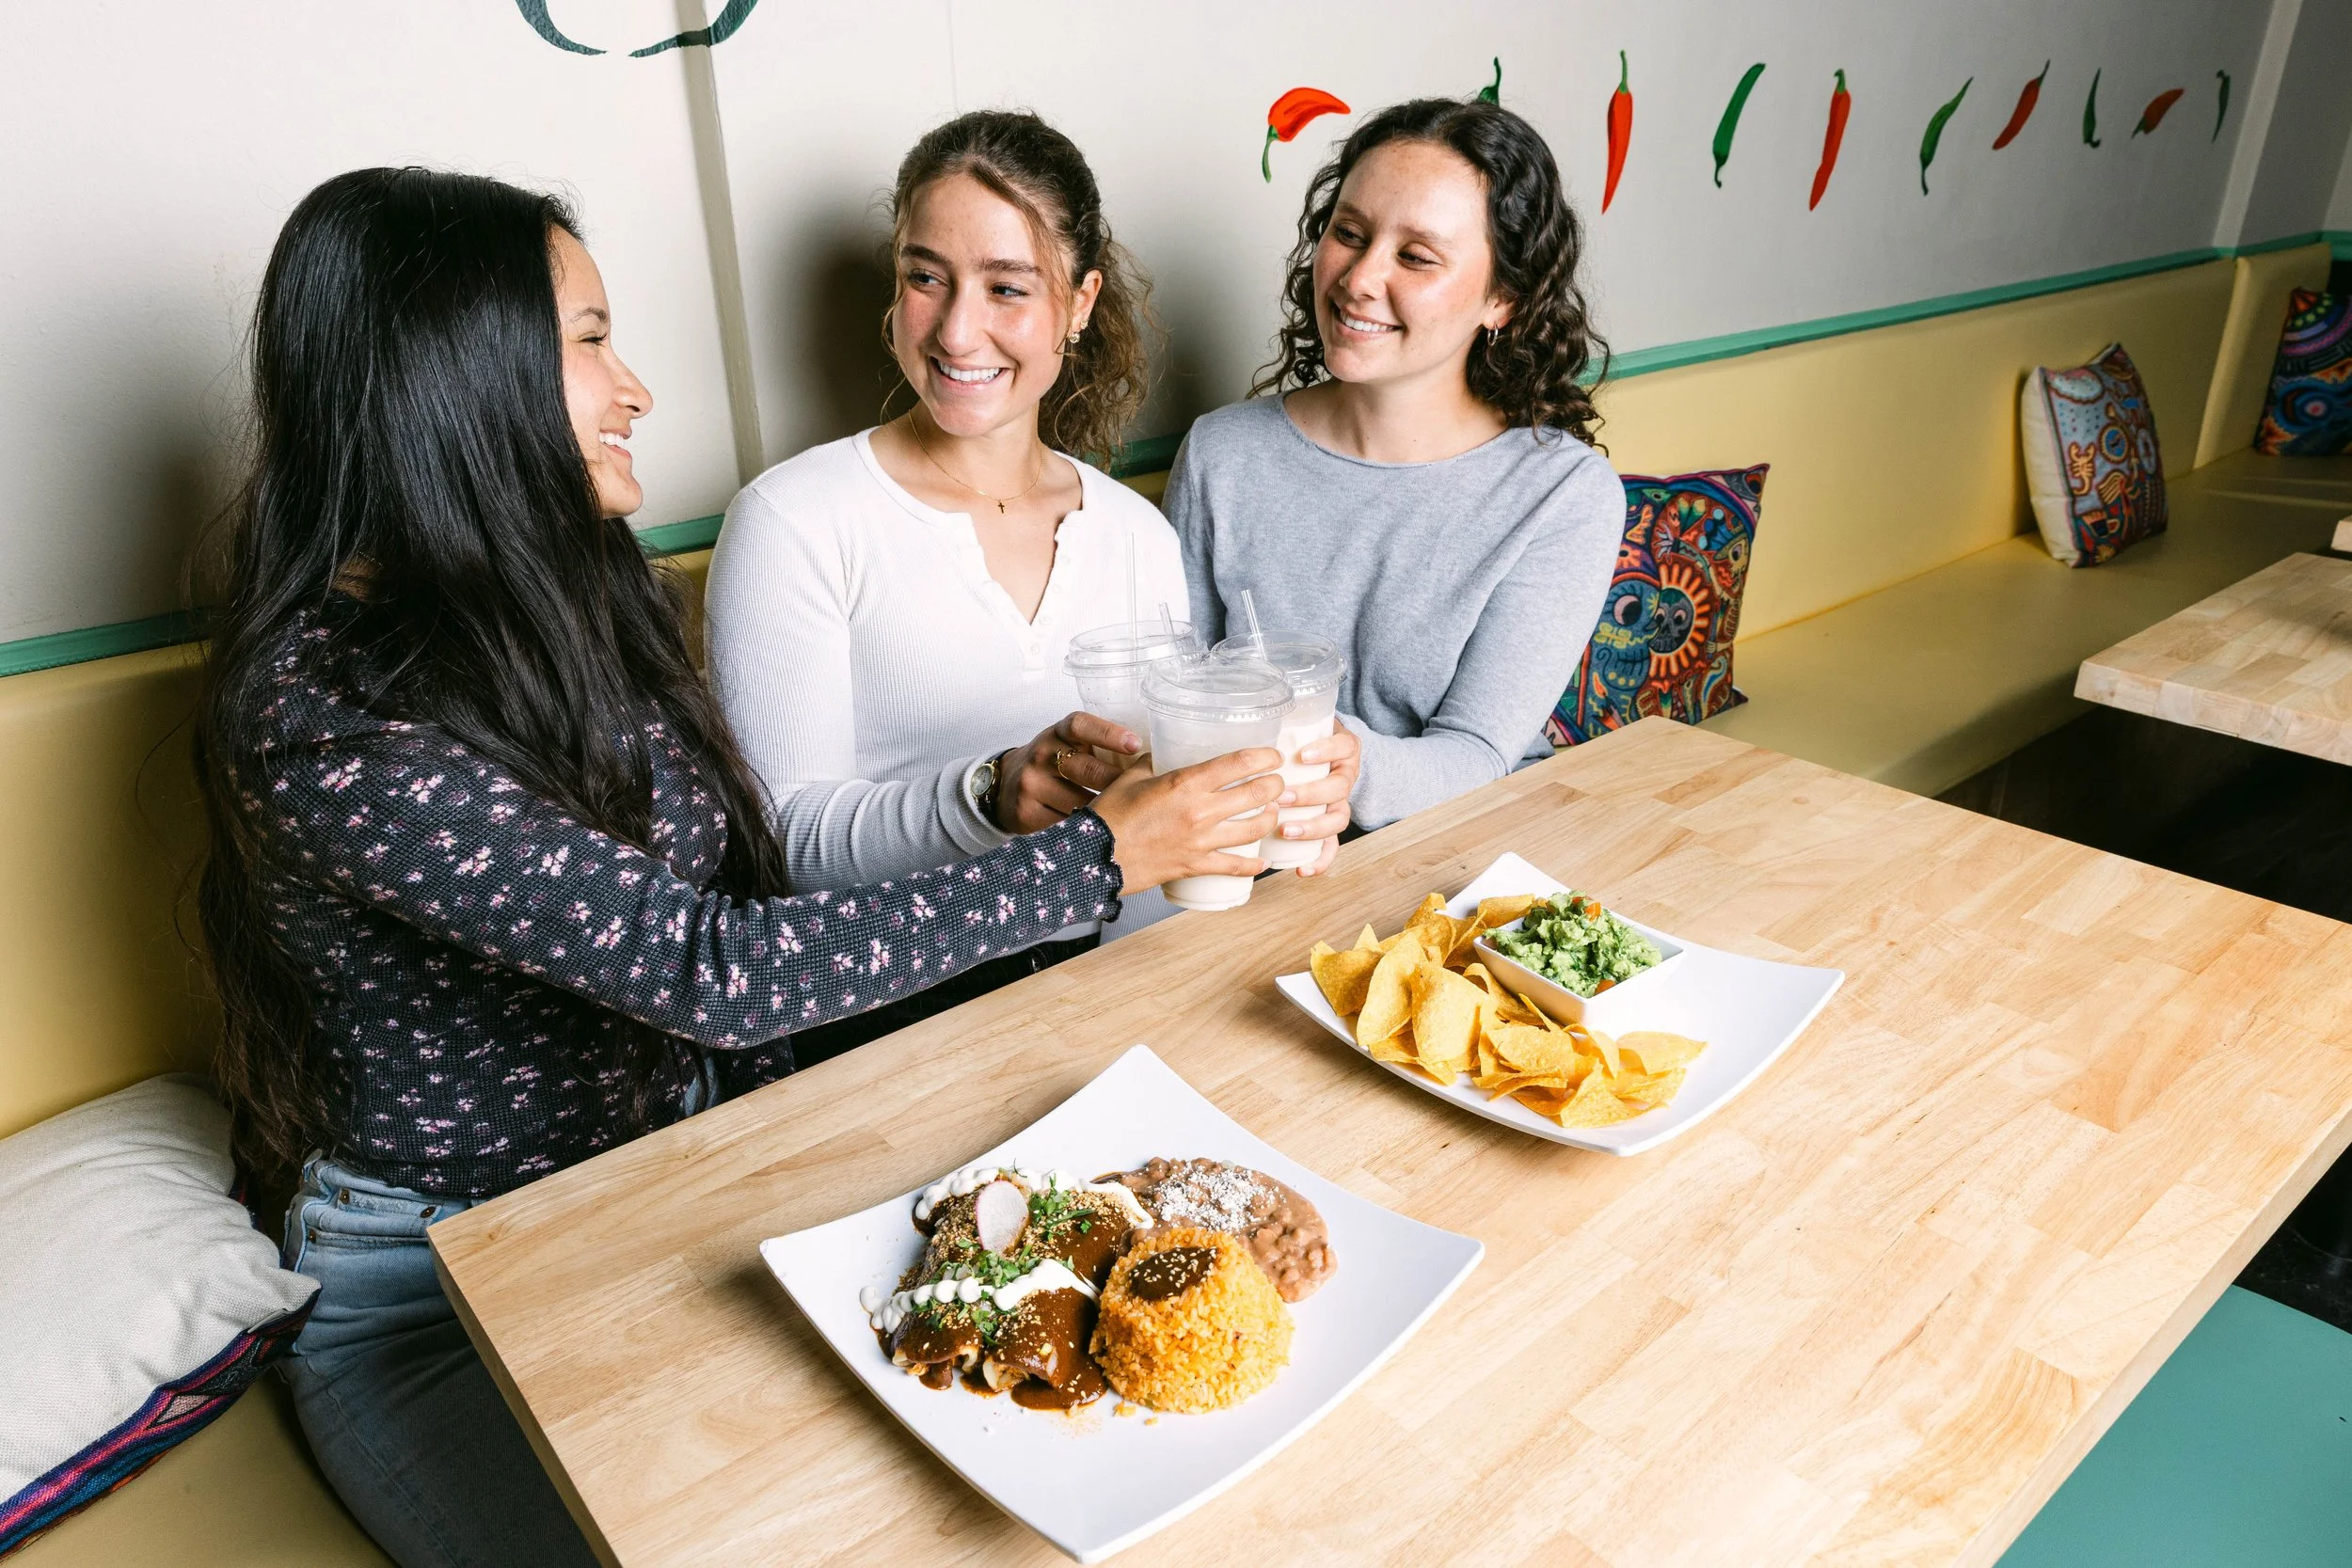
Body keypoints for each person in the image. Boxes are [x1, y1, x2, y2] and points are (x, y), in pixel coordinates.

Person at [192, 166, 1285, 1568]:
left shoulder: (574, 590)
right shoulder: (319, 718)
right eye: (590, 341)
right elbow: (714, 967)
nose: (636, 388)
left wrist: (1003, 798)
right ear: (456, 376)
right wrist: (1099, 855)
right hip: (442, 1281)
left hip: (688, 1179)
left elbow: (750, 876)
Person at [706, 110, 1359, 1061]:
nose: (956, 328)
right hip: (895, 1026)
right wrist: (986, 795)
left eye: (1006, 287)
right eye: (925, 277)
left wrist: (1270, 804)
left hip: (1114, 997)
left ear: (1080, 303)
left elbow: (1152, 824)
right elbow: (783, 848)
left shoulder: (1134, 534)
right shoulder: (793, 520)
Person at [1166, 96, 1623, 832]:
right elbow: (1176, 700)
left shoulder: (1563, 494)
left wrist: (1342, 764)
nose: (1358, 278)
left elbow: (1477, 753)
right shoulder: (1222, 453)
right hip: (1258, 844)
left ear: (1503, 298)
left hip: (1467, 847)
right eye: (1349, 234)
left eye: (1416, 257)